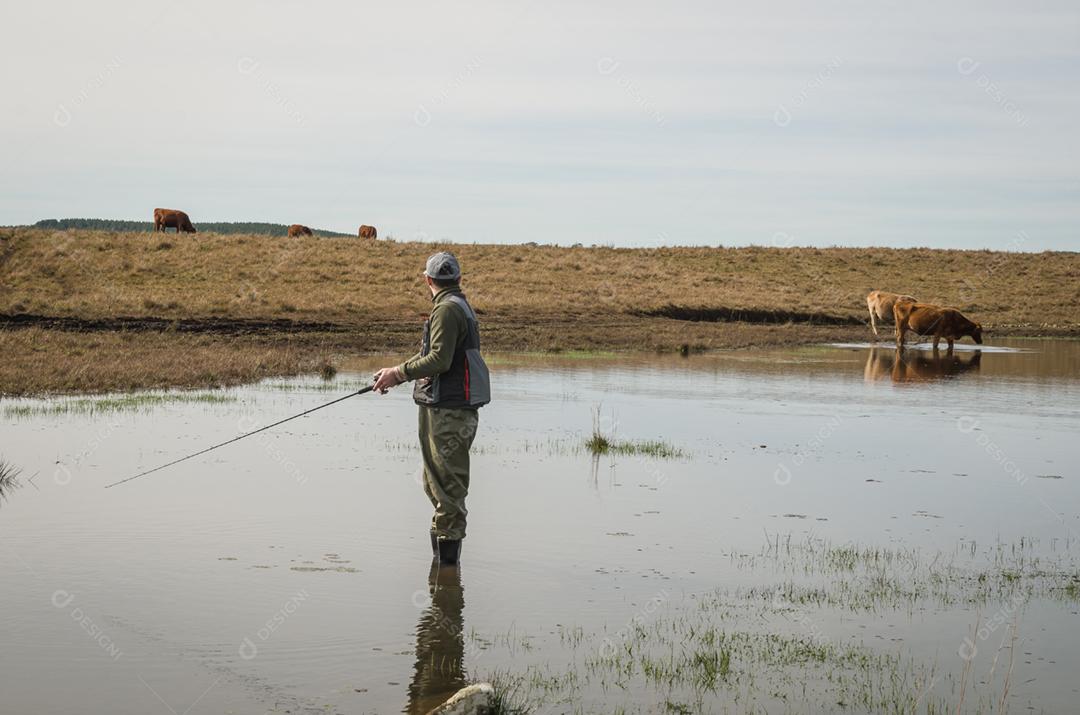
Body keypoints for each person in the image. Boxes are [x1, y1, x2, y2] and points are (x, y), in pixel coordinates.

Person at [372, 251, 490, 565]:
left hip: (450, 409)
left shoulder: (447, 310)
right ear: (458, 279)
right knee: (435, 483)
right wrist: (394, 375)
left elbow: (439, 359)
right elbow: (436, 357)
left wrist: (397, 374)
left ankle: (447, 578)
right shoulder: (454, 305)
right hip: (442, 405)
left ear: (427, 280)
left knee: (447, 489)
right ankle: (442, 583)